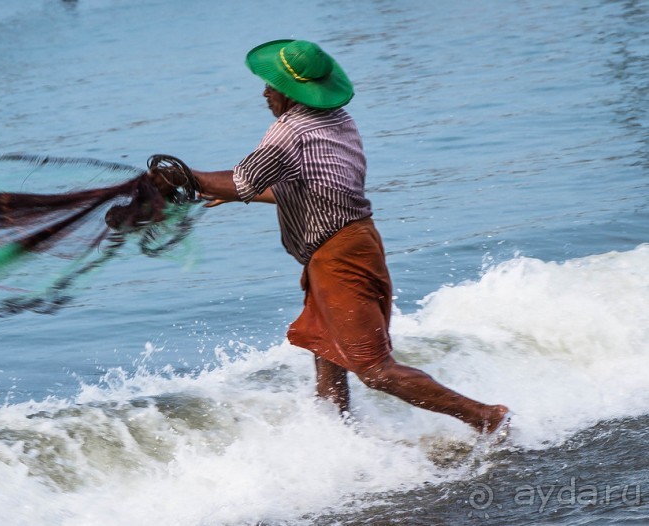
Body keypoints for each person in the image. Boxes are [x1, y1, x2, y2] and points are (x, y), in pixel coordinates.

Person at [154, 39, 510, 434]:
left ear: (290, 93)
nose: (265, 93)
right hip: (351, 244)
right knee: (326, 353)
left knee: (376, 371)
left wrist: (183, 177)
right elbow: (319, 189)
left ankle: (486, 417)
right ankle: (339, 447)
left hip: (339, 256)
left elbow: (243, 181)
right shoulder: (339, 119)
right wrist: (230, 193)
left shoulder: (288, 131)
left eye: (271, 86)